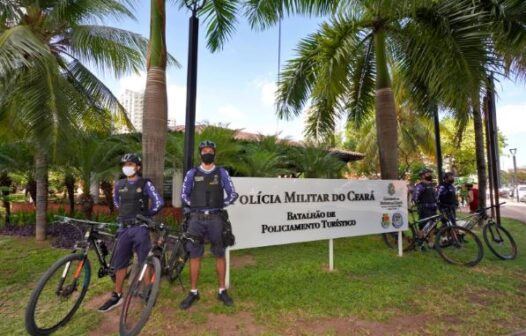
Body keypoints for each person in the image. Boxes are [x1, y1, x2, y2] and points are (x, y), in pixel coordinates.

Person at [98, 153, 164, 312]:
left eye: (131, 164)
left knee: (144, 261)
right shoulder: (119, 184)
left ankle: (148, 291)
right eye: (125, 164)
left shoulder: (145, 183)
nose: (127, 167)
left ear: (138, 167)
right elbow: (116, 201)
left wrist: (147, 215)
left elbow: (159, 202)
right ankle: (117, 295)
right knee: (120, 263)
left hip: (140, 228)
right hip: (124, 228)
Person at [179, 140, 238, 310]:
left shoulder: (222, 173)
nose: (207, 152)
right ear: (200, 154)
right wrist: (195, 205)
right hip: (196, 219)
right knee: (195, 255)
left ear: (214, 153)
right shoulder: (192, 173)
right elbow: (184, 194)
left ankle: (222, 291)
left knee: (220, 254)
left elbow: (232, 193)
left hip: (216, 219)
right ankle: (193, 292)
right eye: (204, 150)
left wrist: (221, 204)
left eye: (210, 150)